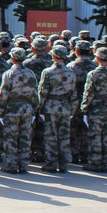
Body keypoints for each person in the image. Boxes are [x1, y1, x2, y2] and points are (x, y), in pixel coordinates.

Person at [0, 48, 38, 174]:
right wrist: (34, 108)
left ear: (12, 58)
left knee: (11, 137)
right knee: (25, 137)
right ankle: (24, 165)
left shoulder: (9, 73)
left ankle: (11, 164)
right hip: (27, 108)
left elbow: (3, 94)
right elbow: (35, 93)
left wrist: (0, 110)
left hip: (12, 109)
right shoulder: (31, 73)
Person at [80, 47, 107, 173]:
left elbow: (88, 93)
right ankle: (105, 161)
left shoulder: (93, 74)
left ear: (97, 58)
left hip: (96, 108)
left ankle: (95, 161)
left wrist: (84, 108)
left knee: (95, 135)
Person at [37, 44, 76, 173]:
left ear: (53, 56)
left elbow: (43, 92)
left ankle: (51, 163)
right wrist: (73, 108)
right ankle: (63, 164)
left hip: (51, 106)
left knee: (51, 136)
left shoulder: (48, 72)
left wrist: (39, 107)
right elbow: (73, 93)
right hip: (65, 106)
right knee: (64, 135)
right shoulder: (71, 72)